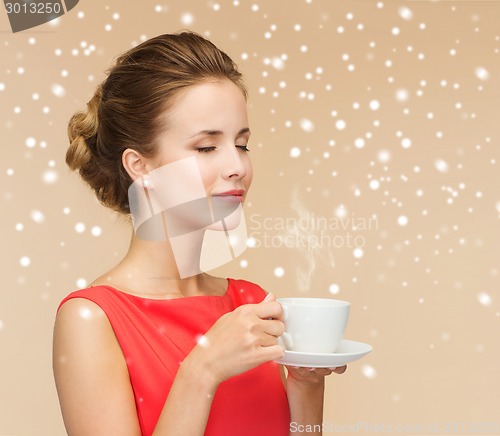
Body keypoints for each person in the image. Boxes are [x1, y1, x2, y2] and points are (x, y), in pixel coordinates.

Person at [53, 31, 346, 436]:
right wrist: (203, 368)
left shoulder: (251, 305)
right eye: (207, 147)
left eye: (242, 144)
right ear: (140, 167)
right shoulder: (92, 319)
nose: (237, 167)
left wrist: (306, 385)